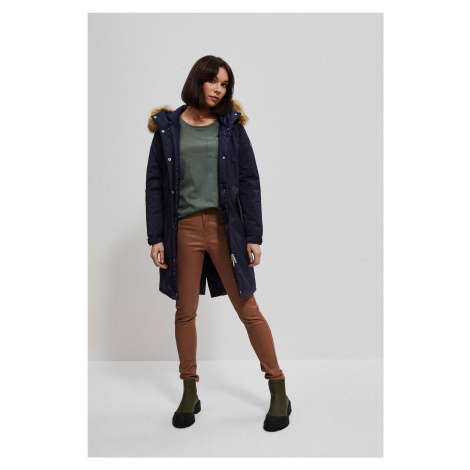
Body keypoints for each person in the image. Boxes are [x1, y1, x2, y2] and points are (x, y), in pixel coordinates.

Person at [145, 55, 292, 432]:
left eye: (225, 84)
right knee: (185, 310)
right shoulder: (167, 128)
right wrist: (156, 236)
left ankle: (278, 388)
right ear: (197, 81)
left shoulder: (231, 128)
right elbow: (155, 185)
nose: (219, 90)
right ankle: (189, 390)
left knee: (248, 308)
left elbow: (250, 180)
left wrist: (254, 235)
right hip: (183, 230)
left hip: (226, 229)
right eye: (213, 81)